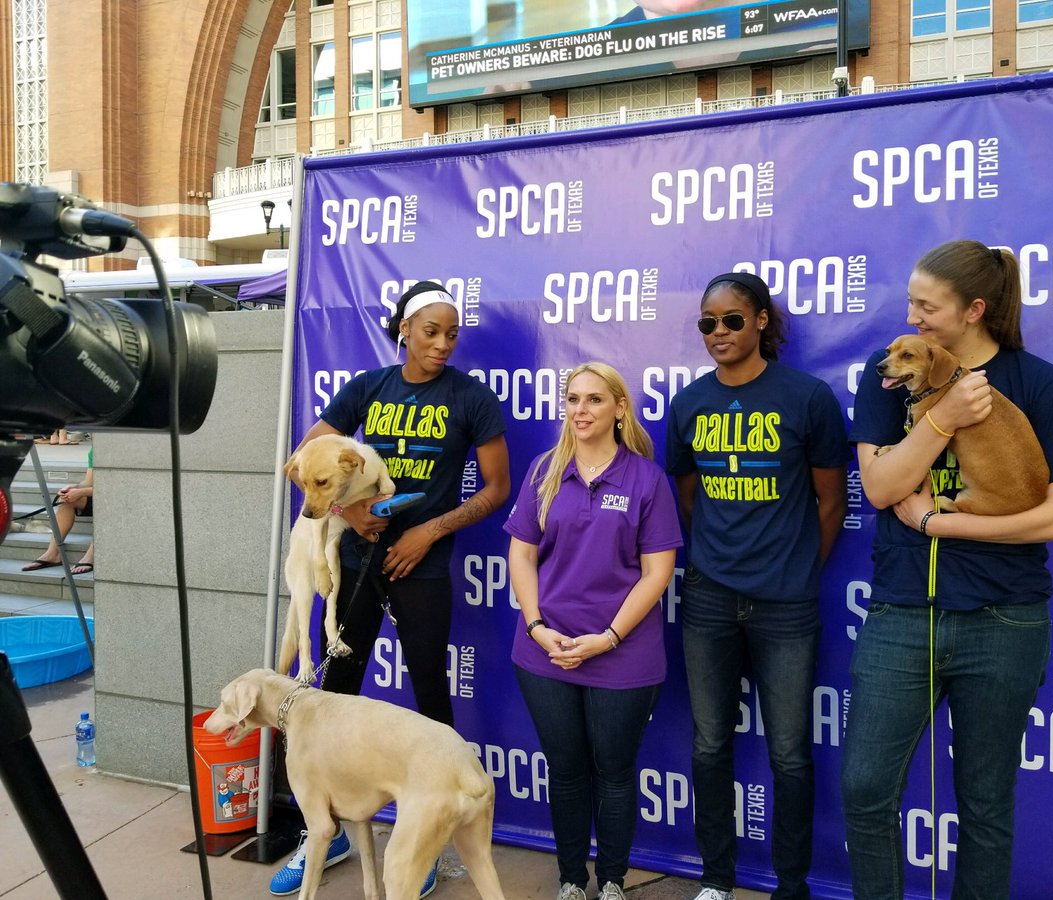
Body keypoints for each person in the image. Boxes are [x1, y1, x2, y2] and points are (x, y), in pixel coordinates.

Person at [841, 240, 1053, 899]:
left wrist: (939, 523)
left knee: (985, 802)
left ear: (974, 310)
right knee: (865, 788)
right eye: (911, 302)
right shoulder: (892, 373)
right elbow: (881, 486)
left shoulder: (1038, 382)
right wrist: (943, 419)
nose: (911, 317)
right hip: (902, 612)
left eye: (927, 306)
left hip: (1005, 618)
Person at [271, 280, 510, 898]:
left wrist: (429, 531)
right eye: (431, 331)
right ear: (404, 329)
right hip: (356, 563)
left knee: (431, 696)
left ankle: (426, 840)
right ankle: (326, 831)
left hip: (419, 566)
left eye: (452, 333)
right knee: (335, 694)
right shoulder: (368, 388)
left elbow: (496, 488)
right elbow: (306, 459)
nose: (443, 343)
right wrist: (347, 512)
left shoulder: (470, 397)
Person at [666, 272, 848, 900]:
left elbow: (831, 502)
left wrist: (796, 570)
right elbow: (689, 498)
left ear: (762, 321)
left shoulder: (807, 397)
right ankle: (717, 880)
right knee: (710, 745)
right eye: (707, 323)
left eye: (732, 320)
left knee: (790, 752)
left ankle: (791, 885)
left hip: (786, 604)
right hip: (708, 597)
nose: (718, 332)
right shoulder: (689, 404)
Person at [506, 362, 682, 900]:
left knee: (614, 772)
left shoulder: (647, 479)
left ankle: (610, 881)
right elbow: (521, 554)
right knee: (565, 770)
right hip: (547, 650)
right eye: (573, 399)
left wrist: (608, 638)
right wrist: (537, 626)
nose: (580, 410)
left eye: (594, 399)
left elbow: (657, 573)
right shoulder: (544, 470)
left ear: (620, 408)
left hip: (622, 653)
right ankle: (570, 880)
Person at [22, 446, 95, 575]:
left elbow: (114, 488)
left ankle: (91, 556)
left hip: (118, 500)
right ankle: (53, 553)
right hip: (97, 494)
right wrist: (73, 488)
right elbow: (88, 482)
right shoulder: (93, 450)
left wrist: (81, 492)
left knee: (107, 508)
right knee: (66, 501)